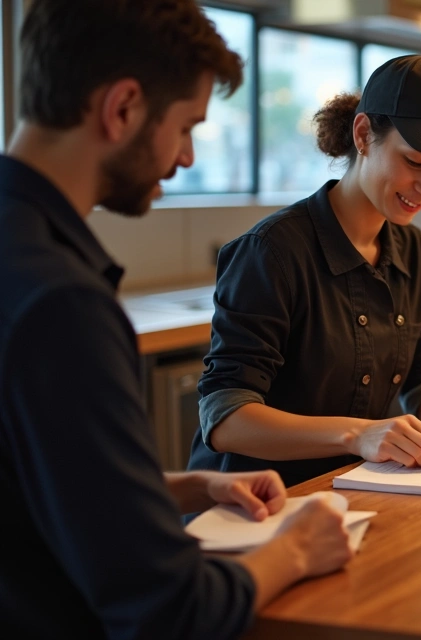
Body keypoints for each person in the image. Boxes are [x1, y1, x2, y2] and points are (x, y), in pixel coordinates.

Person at [0, 2, 352, 637]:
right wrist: (297, 549)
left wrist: (181, 489)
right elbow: (167, 609)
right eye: (187, 126)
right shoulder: (63, 302)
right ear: (123, 108)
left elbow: (29, 486)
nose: (187, 157)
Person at [189, 54, 421, 488]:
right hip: (254, 500)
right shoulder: (272, 252)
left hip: (353, 491)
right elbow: (226, 416)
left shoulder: (416, 252)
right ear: (363, 135)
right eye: (414, 163)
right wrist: (358, 434)